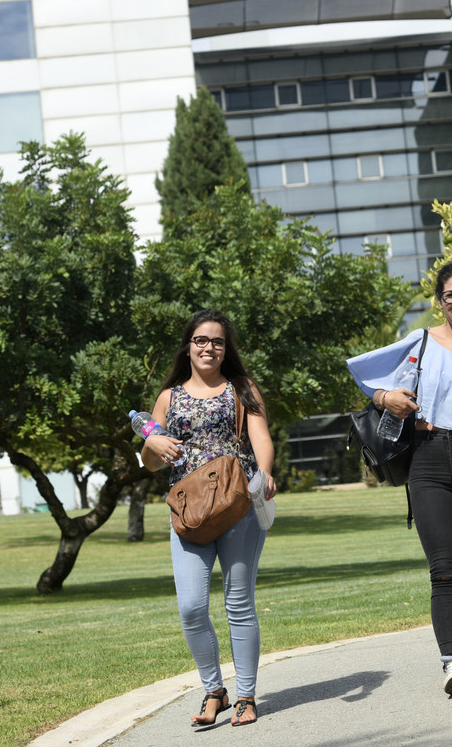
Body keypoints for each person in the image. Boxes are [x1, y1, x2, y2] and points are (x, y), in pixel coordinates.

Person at [347, 262, 452, 697]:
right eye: (451, 295)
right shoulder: (418, 342)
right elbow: (365, 376)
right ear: (440, 300)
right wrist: (388, 397)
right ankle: (451, 661)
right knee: (443, 570)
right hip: (428, 463)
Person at [140, 309, 276, 727]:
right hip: (189, 514)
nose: (209, 348)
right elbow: (148, 462)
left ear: (225, 349)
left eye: (217, 342)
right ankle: (214, 689)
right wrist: (154, 446)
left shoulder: (242, 388)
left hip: (238, 507)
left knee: (239, 604)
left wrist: (266, 472)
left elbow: (261, 439)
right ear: (188, 346)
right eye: (201, 340)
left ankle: (247, 696)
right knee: (192, 608)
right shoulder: (169, 397)